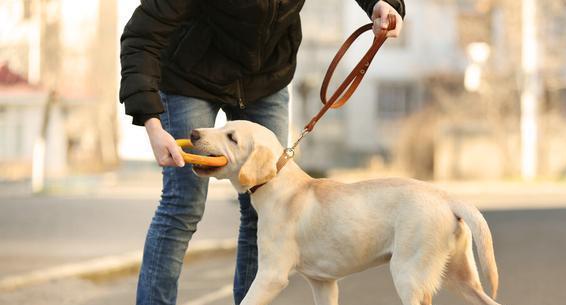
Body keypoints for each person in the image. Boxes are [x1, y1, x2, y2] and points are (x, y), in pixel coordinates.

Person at [119, 1, 405, 304]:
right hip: (190, 77)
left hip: (266, 78)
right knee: (183, 204)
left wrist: (383, 2)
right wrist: (152, 123)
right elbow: (141, 36)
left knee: (270, 205)